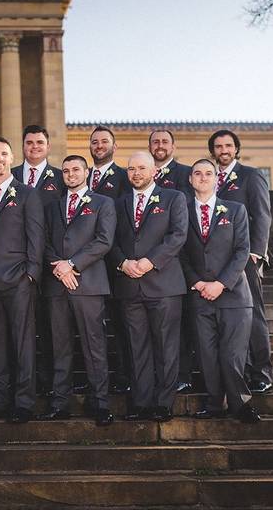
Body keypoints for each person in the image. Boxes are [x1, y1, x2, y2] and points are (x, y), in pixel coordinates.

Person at [108, 152, 188, 422]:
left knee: (166, 346)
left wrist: (150, 261)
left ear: (154, 170)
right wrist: (122, 263)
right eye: (131, 169)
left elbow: (178, 235)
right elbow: (110, 241)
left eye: (142, 168)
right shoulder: (117, 204)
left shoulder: (173, 198)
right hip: (129, 285)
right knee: (136, 346)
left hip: (163, 285)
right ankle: (141, 403)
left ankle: (163, 403)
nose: (136, 173)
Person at [180, 159, 260, 424]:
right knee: (207, 353)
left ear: (217, 179)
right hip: (199, 294)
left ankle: (240, 403)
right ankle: (215, 402)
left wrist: (221, 283)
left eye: (208, 174)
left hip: (234, 295)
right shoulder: (181, 212)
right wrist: (198, 283)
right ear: (190, 179)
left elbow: (241, 251)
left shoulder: (235, 210)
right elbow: (180, 253)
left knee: (233, 353)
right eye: (198, 173)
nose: (203, 178)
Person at [0, 137, 44, 425]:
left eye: (4, 154)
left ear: (11, 158)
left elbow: (36, 237)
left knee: (23, 344)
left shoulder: (27, 194)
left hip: (18, 280)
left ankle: (24, 402)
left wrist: (31, 275)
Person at [40, 155, 115, 426]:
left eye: (76, 169)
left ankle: (100, 403)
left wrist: (72, 264)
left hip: (89, 284)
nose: (71, 174)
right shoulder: (53, 207)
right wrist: (59, 268)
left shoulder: (103, 203)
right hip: (57, 285)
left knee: (94, 346)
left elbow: (104, 241)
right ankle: (60, 403)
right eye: (66, 170)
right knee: (60, 347)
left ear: (86, 173)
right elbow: (44, 242)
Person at [209, 129, 273, 394]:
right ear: (212, 151)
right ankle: (240, 371)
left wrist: (256, 252)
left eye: (228, 146)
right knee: (232, 319)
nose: (223, 150)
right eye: (218, 147)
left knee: (253, 314)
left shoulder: (250, 175)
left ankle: (262, 373)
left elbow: (262, 215)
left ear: (236, 149)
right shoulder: (209, 179)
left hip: (245, 258)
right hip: (217, 263)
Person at [14, 124, 64, 397]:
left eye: (39, 143)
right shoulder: (9, 177)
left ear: (48, 146)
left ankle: (49, 383)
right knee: (20, 328)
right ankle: (23, 383)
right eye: (29, 142)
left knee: (50, 327)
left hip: (52, 263)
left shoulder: (60, 177)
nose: (34, 147)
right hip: (16, 264)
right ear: (23, 146)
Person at [149, 129, 194, 393]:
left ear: (173, 146)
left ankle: (183, 374)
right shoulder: (140, 174)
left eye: (165, 141)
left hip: (180, 256)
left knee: (180, 322)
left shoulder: (185, 174)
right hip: (149, 259)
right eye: (155, 142)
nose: (160, 145)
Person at [88, 125, 132, 394]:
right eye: (94, 142)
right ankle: (95, 377)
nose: (99, 145)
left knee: (121, 322)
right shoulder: (80, 175)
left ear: (114, 147)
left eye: (104, 141)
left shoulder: (126, 178)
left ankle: (123, 375)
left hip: (115, 262)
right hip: (87, 265)